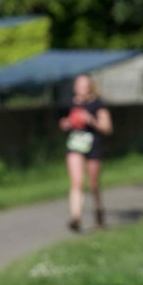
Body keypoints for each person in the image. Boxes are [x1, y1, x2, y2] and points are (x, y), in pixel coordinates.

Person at [58, 74, 113, 232]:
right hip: (75, 145)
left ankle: (98, 210)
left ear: (90, 86)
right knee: (77, 182)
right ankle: (75, 217)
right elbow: (64, 121)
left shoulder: (98, 105)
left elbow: (108, 128)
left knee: (93, 184)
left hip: (94, 146)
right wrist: (66, 123)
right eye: (79, 85)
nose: (81, 88)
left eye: (84, 84)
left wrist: (91, 121)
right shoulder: (69, 104)